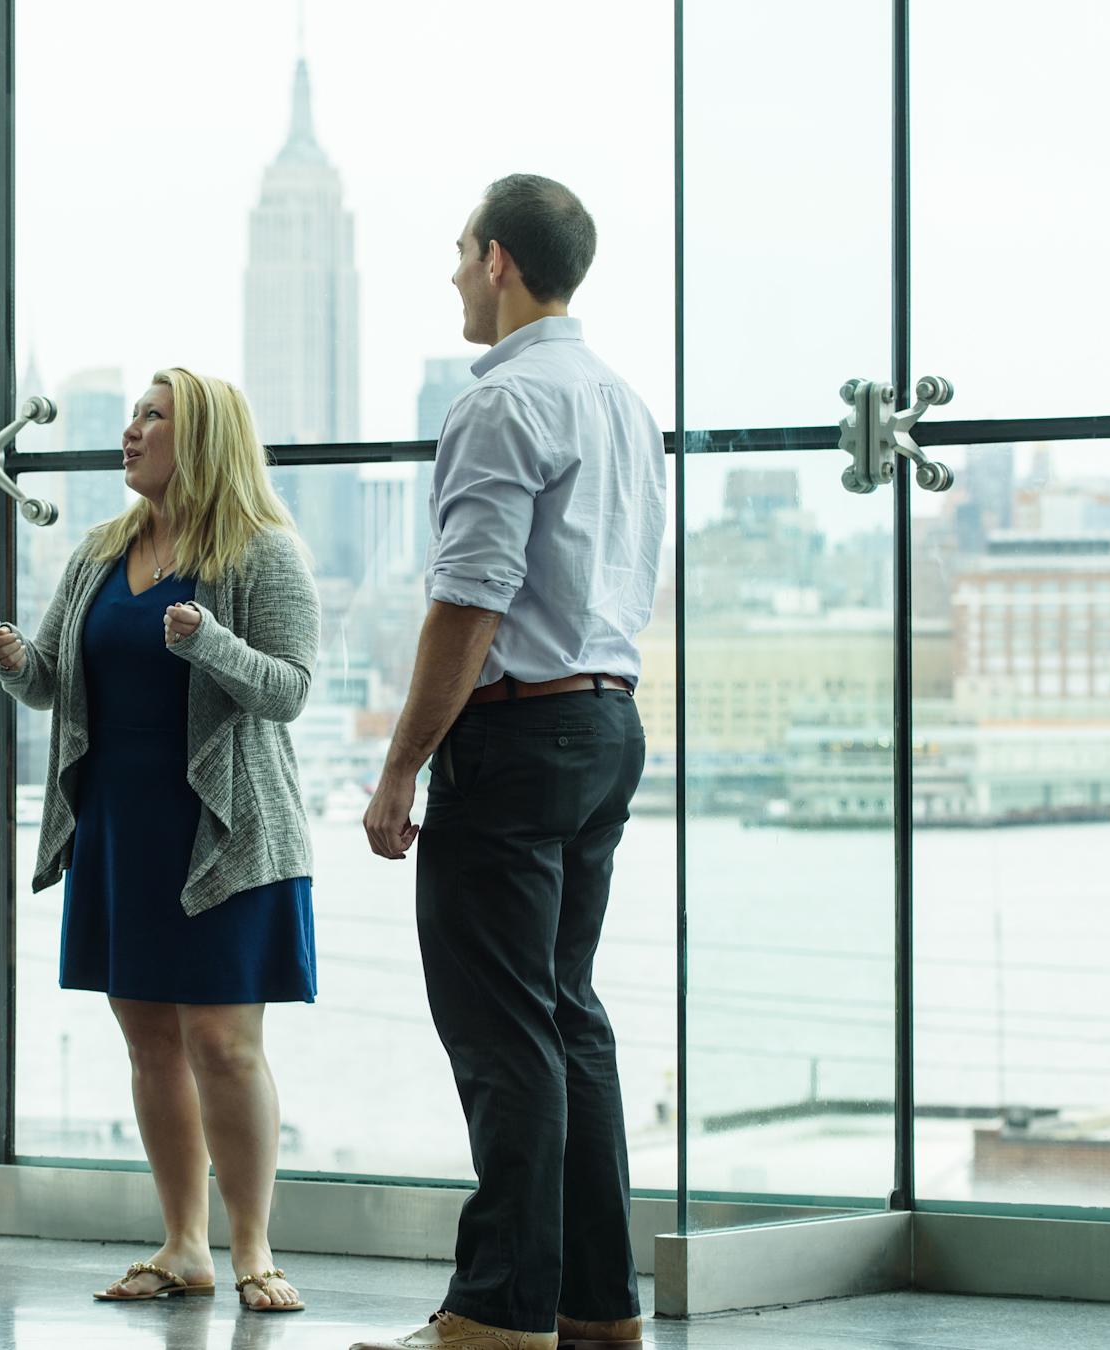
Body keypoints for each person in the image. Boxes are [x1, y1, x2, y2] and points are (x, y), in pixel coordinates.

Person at [351, 175, 666, 1350]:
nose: (450, 275)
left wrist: (399, 770)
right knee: (567, 1015)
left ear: (497, 261)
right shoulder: (624, 403)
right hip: (607, 726)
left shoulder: (502, 405)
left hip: (519, 732)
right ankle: (595, 1305)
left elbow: (467, 607)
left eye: (457, 251)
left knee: (501, 1033)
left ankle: (496, 1313)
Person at [0, 368, 319, 1316]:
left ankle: (252, 1246)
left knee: (223, 1042)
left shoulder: (262, 552)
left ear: (201, 437)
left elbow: (291, 690)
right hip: (122, 824)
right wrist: (17, 665)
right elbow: (56, 682)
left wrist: (208, 641)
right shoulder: (101, 549)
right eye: (133, 415)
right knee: (148, 1041)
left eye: (151, 417)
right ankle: (183, 1247)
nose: (130, 432)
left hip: (226, 827)